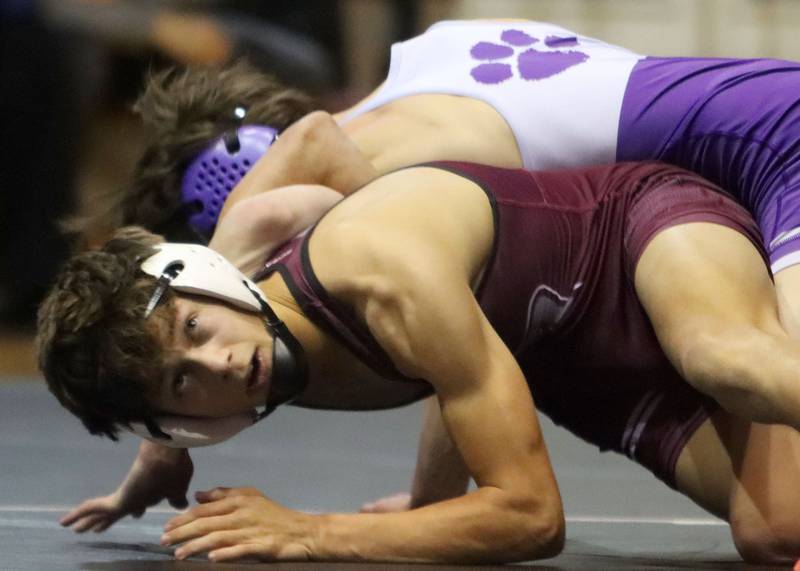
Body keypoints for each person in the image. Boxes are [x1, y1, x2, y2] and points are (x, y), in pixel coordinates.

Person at [39, 160, 800, 563]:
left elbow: (533, 517)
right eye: (183, 380)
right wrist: (435, 508)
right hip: (568, 366)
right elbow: (453, 364)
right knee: (776, 532)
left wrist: (310, 532)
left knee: (721, 358)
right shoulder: (248, 357)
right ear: (176, 422)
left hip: (638, 233)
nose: (224, 364)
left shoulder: (374, 271)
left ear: (209, 277)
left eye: (197, 327)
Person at [110, 19, 800, 337]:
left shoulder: (385, 173)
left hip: (776, 147)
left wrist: (209, 287)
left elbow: (310, 145)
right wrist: (430, 500)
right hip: (764, 110)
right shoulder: (431, 54)